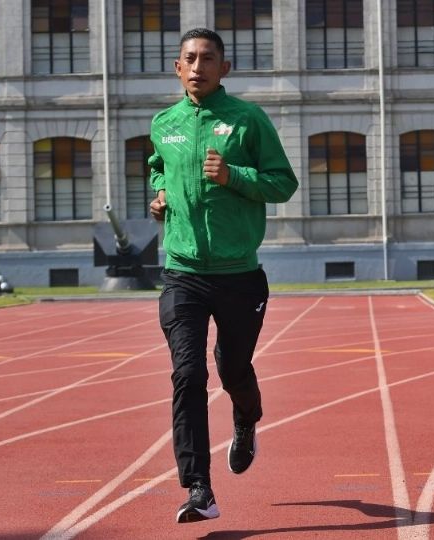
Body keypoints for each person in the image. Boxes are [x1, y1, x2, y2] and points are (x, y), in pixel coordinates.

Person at [148, 27, 298, 523]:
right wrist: (159, 196)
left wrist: (234, 176)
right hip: (182, 273)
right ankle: (198, 488)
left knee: (233, 370)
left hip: (239, 275)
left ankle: (247, 419)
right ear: (177, 67)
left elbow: (283, 184)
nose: (198, 67)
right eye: (189, 58)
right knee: (187, 374)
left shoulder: (248, 120)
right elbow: (156, 169)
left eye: (208, 59)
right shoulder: (163, 123)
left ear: (224, 68)